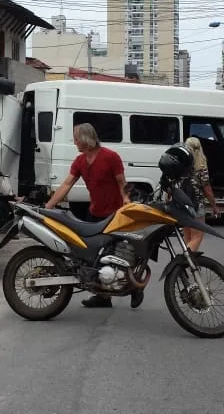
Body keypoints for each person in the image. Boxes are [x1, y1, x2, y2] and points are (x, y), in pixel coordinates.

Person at [45, 123, 131, 309]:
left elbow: (121, 182)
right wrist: (49, 206)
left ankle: (133, 286)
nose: (74, 142)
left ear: (85, 139)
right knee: (93, 258)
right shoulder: (80, 161)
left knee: (118, 255)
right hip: (94, 214)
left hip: (113, 214)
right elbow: (67, 185)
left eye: (76, 138)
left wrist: (125, 199)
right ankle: (102, 297)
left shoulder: (110, 157)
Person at [182, 137, 221, 251]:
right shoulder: (201, 166)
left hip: (182, 204)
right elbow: (207, 190)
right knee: (197, 236)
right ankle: (184, 261)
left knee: (188, 237)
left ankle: (185, 265)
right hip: (196, 204)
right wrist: (214, 206)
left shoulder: (181, 165)